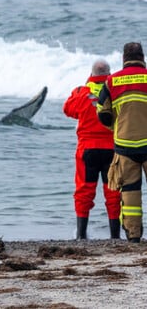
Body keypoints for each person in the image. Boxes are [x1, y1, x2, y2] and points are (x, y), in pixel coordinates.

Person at [63, 59, 120, 239]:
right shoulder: (116, 93)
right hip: (111, 150)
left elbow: (68, 110)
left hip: (87, 150)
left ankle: (81, 235)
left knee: (84, 192)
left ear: (91, 74)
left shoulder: (81, 92)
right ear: (109, 74)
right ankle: (115, 237)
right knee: (113, 192)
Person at [98, 42, 147, 242]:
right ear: (142, 57)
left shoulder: (111, 82)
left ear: (123, 59)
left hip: (125, 146)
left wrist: (117, 127)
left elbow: (103, 114)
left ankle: (134, 237)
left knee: (130, 194)